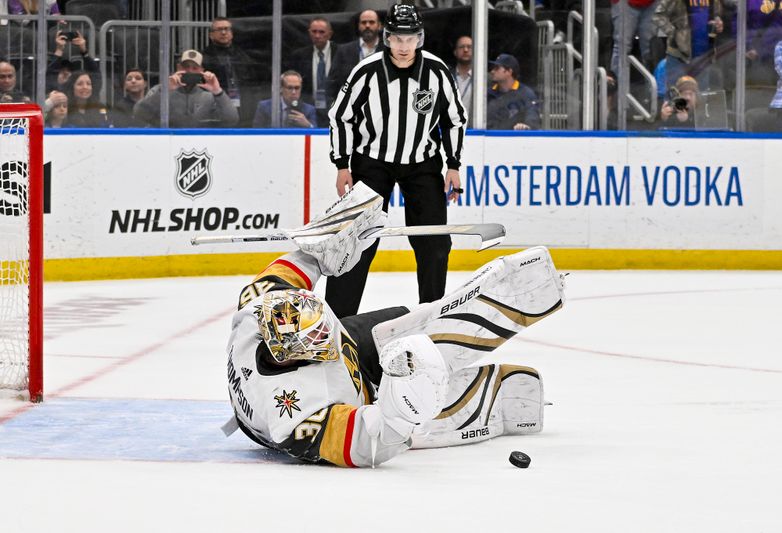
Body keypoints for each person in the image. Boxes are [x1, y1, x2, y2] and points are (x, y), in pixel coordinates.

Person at [223, 184, 566, 468]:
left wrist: (325, 245)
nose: (323, 339)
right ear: (290, 356)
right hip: (348, 403)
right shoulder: (297, 418)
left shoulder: (261, 309)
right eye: (316, 341)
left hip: (343, 353)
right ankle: (434, 398)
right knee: (419, 387)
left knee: (420, 322)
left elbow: (296, 266)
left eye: (321, 331)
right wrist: (401, 411)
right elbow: (366, 444)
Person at [326, 3, 466, 318]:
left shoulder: (436, 71)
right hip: (372, 162)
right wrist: (342, 164)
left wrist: (453, 164)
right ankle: (337, 319)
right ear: (387, 37)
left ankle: (431, 316)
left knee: (434, 243)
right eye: (397, 39)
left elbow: (454, 119)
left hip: (422, 164)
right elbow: (340, 116)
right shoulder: (367, 71)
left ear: (420, 38)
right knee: (357, 242)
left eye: (410, 38)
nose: (403, 47)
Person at [133, 49, 239, 128]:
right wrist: (165, 90)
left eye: (194, 68)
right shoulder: (160, 90)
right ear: (178, 68)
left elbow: (232, 120)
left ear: (202, 70)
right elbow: (139, 114)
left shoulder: (209, 96)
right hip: (166, 146)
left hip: (200, 147)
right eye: (185, 67)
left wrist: (217, 91)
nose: (190, 71)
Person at [653, 0, 724, 90]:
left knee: (700, 98)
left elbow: (717, 13)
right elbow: (657, 15)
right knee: (676, 98)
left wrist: (718, 22)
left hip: (703, 55)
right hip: (679, 55)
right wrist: (674, 33)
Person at [201, 17, 257, 123]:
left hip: (244, 106)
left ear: (231, 33)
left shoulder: (242, 55)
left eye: (226, 29)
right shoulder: (204, 57)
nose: (223, 32)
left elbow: (252, 82)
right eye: (219, 29)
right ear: (211, 35)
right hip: (216, 105)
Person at [287, 16, 338, 128]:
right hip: (308, 111)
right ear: (309, 33)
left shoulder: (341, 53)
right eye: (314, 32)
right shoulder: (299, 56)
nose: (317, 36)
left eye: (321, 32)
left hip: (335, 110)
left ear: (330, 34)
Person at [327, 9, 384, 101]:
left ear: (379, 26)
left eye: (371, 22)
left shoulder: (388, 51)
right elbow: (333, 83)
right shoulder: (344, 51)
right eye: (363, 22)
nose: (367, 25)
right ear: (358, 26)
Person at [486, 53, 541, 130]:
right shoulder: (488, 94)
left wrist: (526, 126)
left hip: (516, 140)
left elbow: (532, 118)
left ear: (509, 71)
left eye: (497, 68)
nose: (492, 71)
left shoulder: (526, 94)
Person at [252, 70, 317, 128]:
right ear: (281, 88)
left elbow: (318, 136)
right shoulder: (265, 107)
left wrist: (308, 125)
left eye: (297, 88)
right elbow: (255, 133)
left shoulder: (309, 110)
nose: (293, 92)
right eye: (289, 88)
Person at [610, 0, 659, 74]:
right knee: (622, 47)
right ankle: (619, 82)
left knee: (651, 48)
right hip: (624, 3)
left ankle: (653, 83)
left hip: (652, 3)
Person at [46, 29, 98, 93]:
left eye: (69, 71)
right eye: (62, 72)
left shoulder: (80, 92)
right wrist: (59, 49)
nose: (85, 87)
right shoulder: (52, 91)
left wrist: (84, 51)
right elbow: (49, 74)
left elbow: (96, 75)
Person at [450, 35, 474, 124]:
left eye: (469, 47)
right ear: (455, 52)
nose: (466, 50)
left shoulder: (485, 79)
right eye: (461, 47)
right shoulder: (445, 77)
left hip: (475, 132)